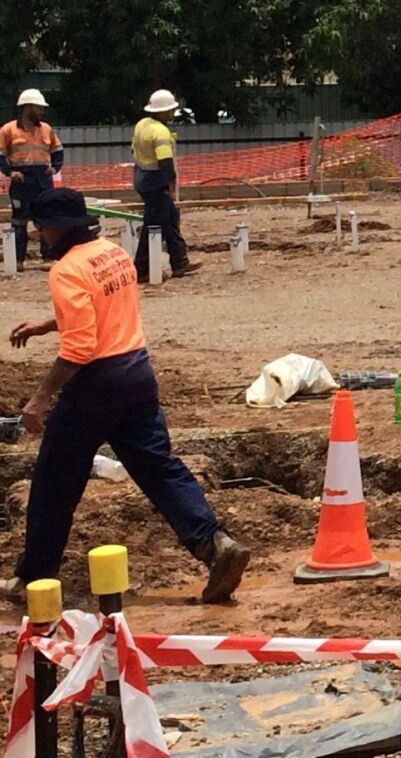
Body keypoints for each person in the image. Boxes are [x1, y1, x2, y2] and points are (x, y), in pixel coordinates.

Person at [3, 190, 248, 603]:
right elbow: (104, 307)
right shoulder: (111, 252)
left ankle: (33, 577)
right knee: (160, 469)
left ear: (58, 228)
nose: (39, 235)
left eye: (41, 227)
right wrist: (49, 323)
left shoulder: (65, 270)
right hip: (137, 374)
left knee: (54, 482)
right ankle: (215, 543)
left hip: (97, 385)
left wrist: (41, 397)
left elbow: (80, 348)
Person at [132, 89, 193, 280]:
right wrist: (170, 183)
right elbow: (165, 161)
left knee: (162, 220)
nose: (172, 114)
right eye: (170, 110)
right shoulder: (160, 132)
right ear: (161, 111)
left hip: (143, 179)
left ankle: (177, 262)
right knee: (161, 223)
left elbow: (134, 150)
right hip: (156, 182)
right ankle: (147, 268)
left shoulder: (142, 125)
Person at [0, 90, 63, 267]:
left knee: (46, 218)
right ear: (27, 108)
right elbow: (0, 154)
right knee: (19, 220)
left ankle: (48, 257)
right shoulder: (8, 130)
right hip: (21, 181)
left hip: (43, 180)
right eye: (38, 108)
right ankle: (18, 259)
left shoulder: (46, 129)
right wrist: (10, 172)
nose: (41, 112)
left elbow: (57, 151)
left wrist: (55, 168)